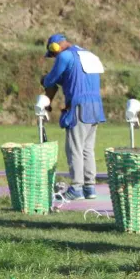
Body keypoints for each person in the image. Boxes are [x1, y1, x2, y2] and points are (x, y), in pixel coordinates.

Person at [41, 33, 106, 201]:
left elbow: (50, 80)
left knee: (74, 149)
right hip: (96, 107)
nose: (54, 57)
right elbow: (75, 78)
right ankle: (89, 188)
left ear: (55, 47)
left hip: (79, 106)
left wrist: (45, 79)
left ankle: (76, 188)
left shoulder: (64, 56)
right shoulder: (87, 54)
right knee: (87, 149)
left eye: (53, 53)